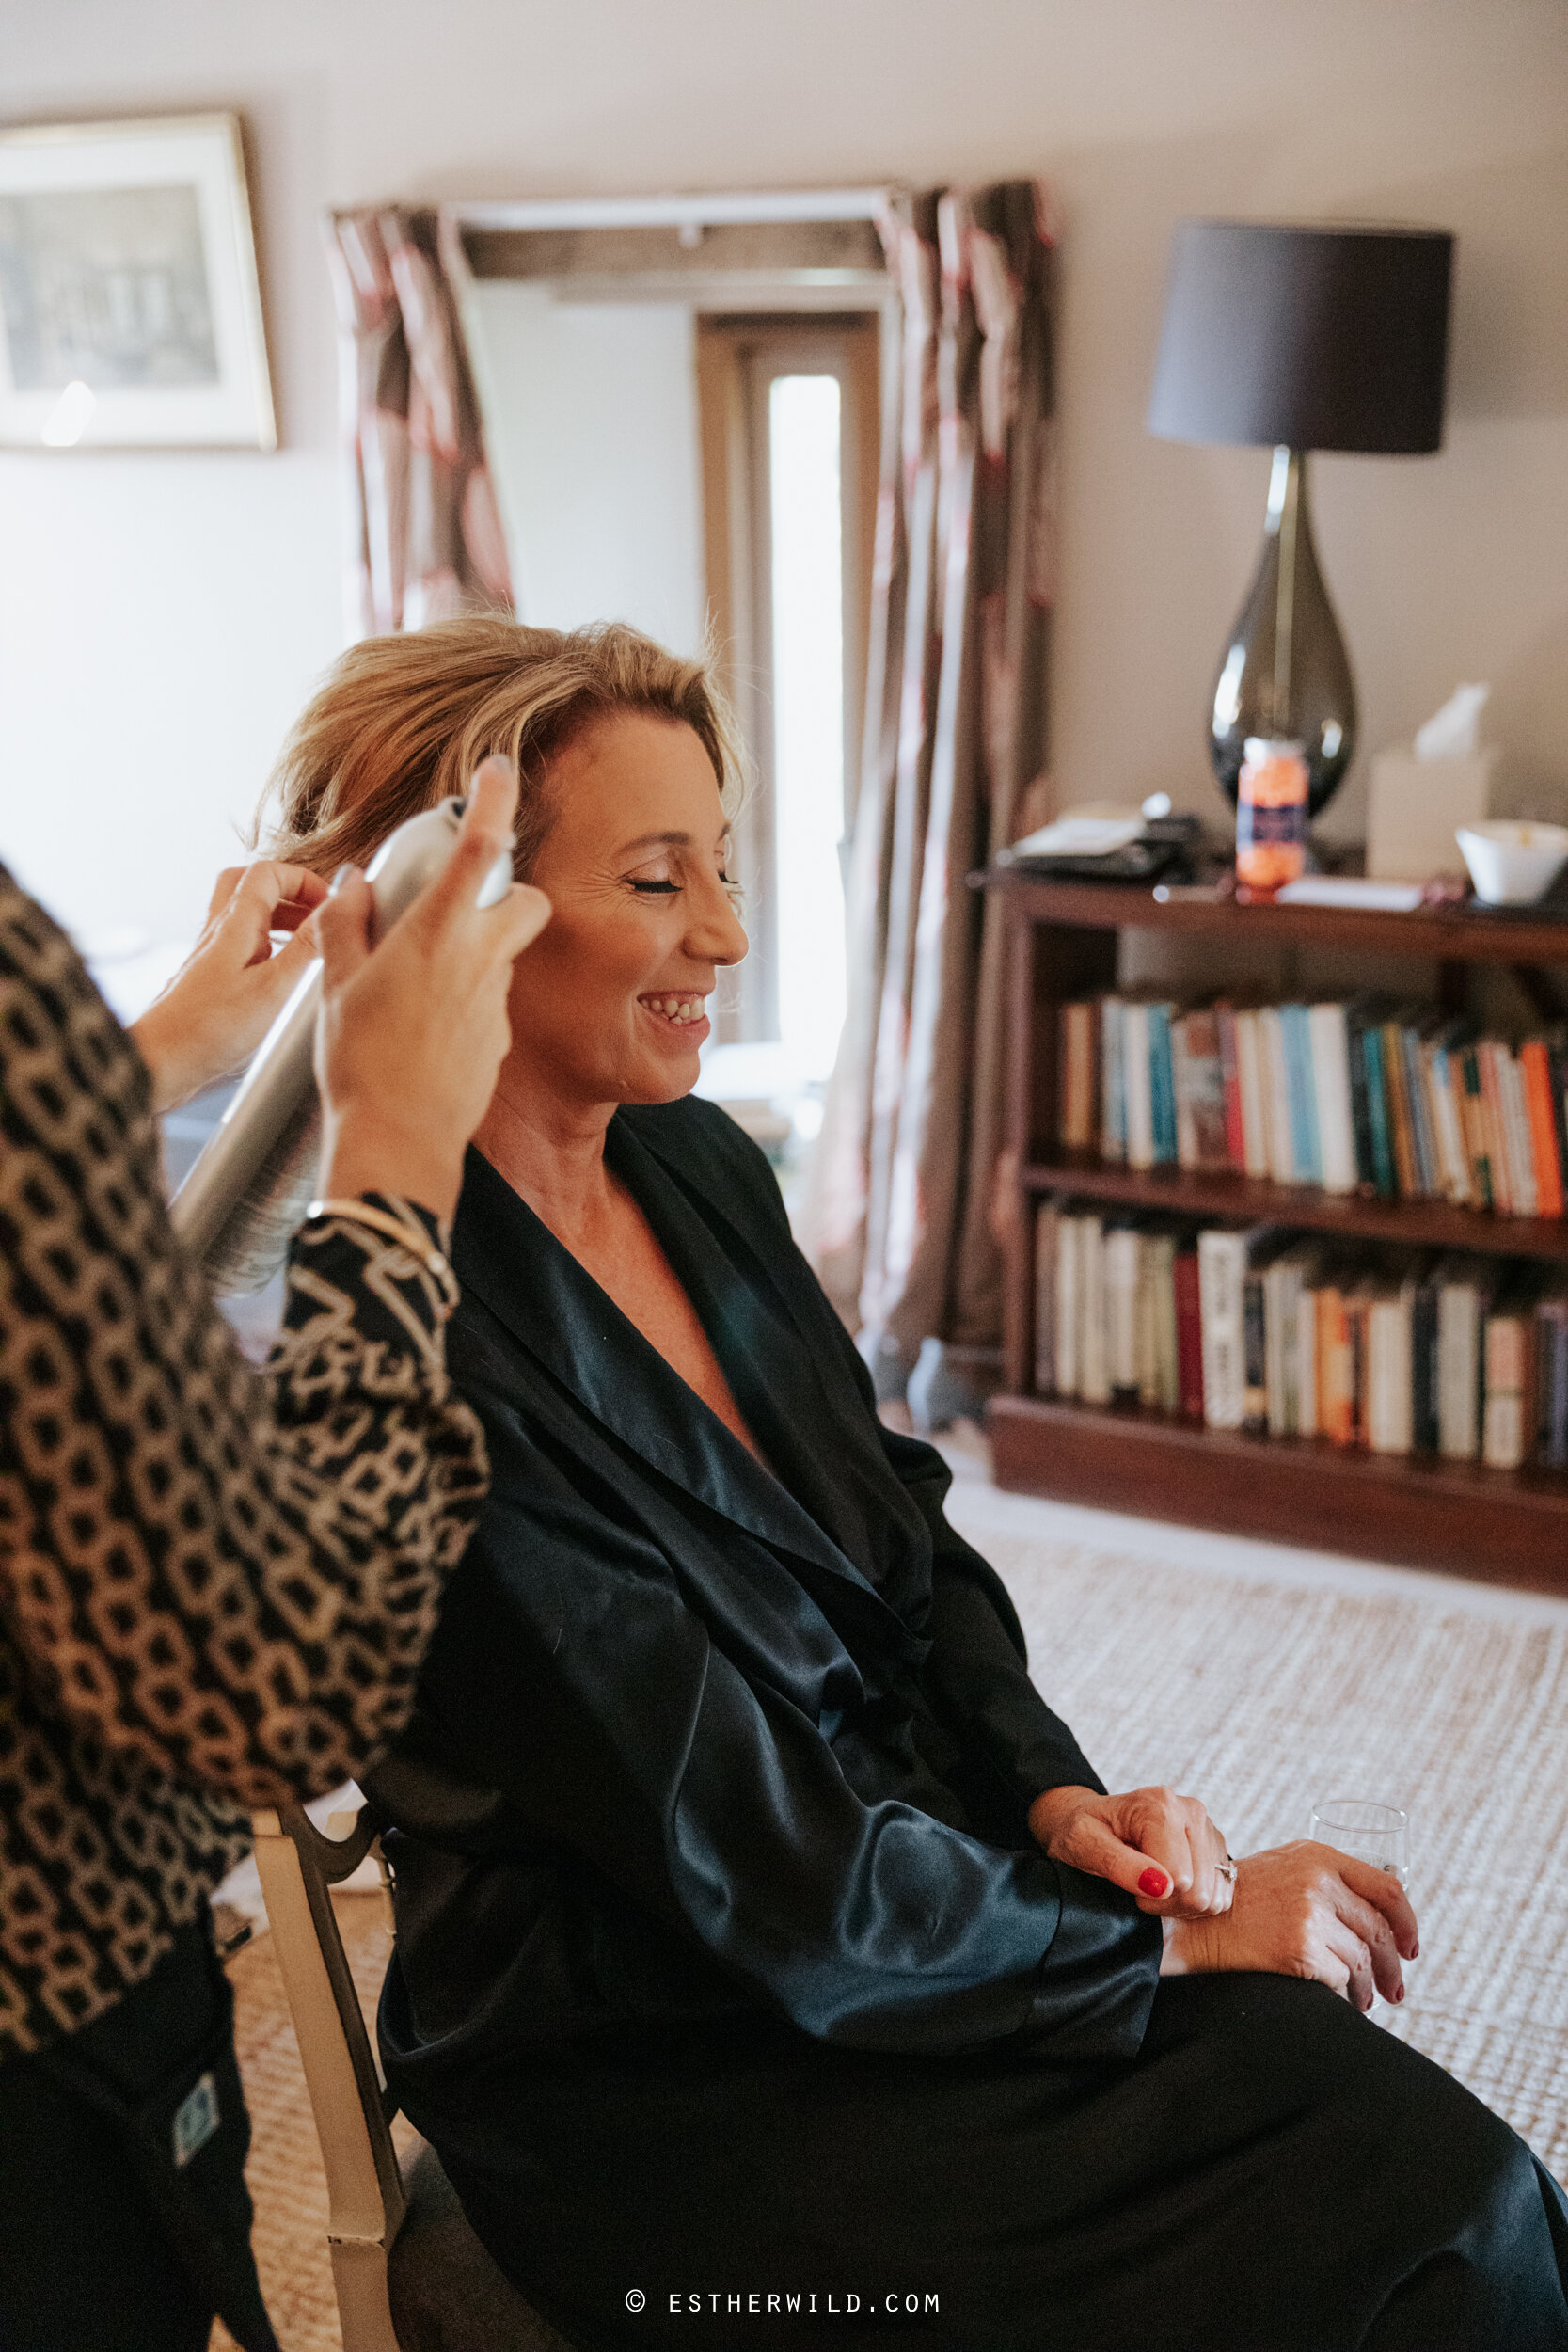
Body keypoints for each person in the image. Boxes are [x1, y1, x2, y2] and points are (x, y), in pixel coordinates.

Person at [261, 617, 1568, 2352]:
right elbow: (740, 1854)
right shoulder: (405, 1354)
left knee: (1407, 2145)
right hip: (670, 2072)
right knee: (1420, 2219)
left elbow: (908, 1532)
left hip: (901, 1898)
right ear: (450, 910)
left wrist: (1053, 1804)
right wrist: (1160, 1945)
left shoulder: (696, 1159)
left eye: (720, 868)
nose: (726, 935)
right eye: (660, 882)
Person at [0, 765, 550, 2352]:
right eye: (654, 879)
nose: (716, 933)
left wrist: (149, 1055)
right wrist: (390, 1155)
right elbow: (273, 1681)